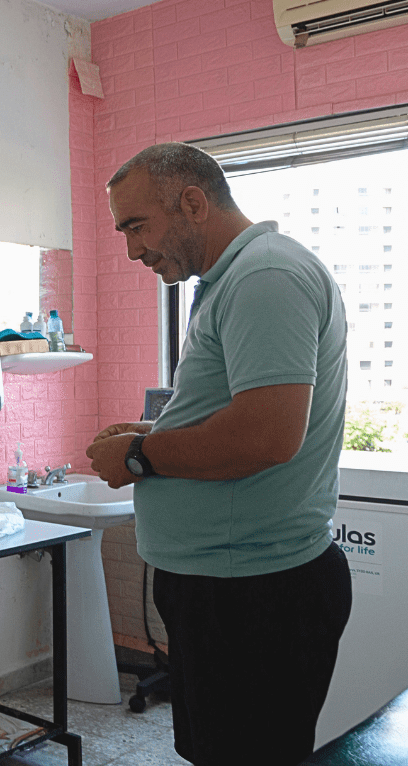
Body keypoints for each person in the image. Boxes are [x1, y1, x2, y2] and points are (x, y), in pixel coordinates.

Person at [85, 142, 352, 766]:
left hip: (253, 598)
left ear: (194, 202)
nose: (130, 249)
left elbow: (266, 434)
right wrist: (145, 433)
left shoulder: (264, 277)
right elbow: (228, 408)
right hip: (231, 590)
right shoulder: (237, 279)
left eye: (136, 226)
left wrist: (141, 457)